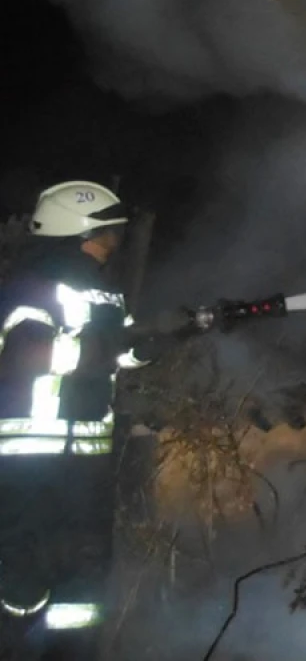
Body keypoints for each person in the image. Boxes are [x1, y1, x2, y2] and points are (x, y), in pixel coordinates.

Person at [0, 181, 180, 659]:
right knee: (23, 576)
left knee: (83, 582)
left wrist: (155, 340)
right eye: (108, 230)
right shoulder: (33, 286)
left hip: (85, 466)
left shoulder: (103, 293)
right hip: (29, 463)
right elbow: (28, 354)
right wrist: (103, 348)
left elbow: (116, 355)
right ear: (81, 231)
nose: (115, 239)